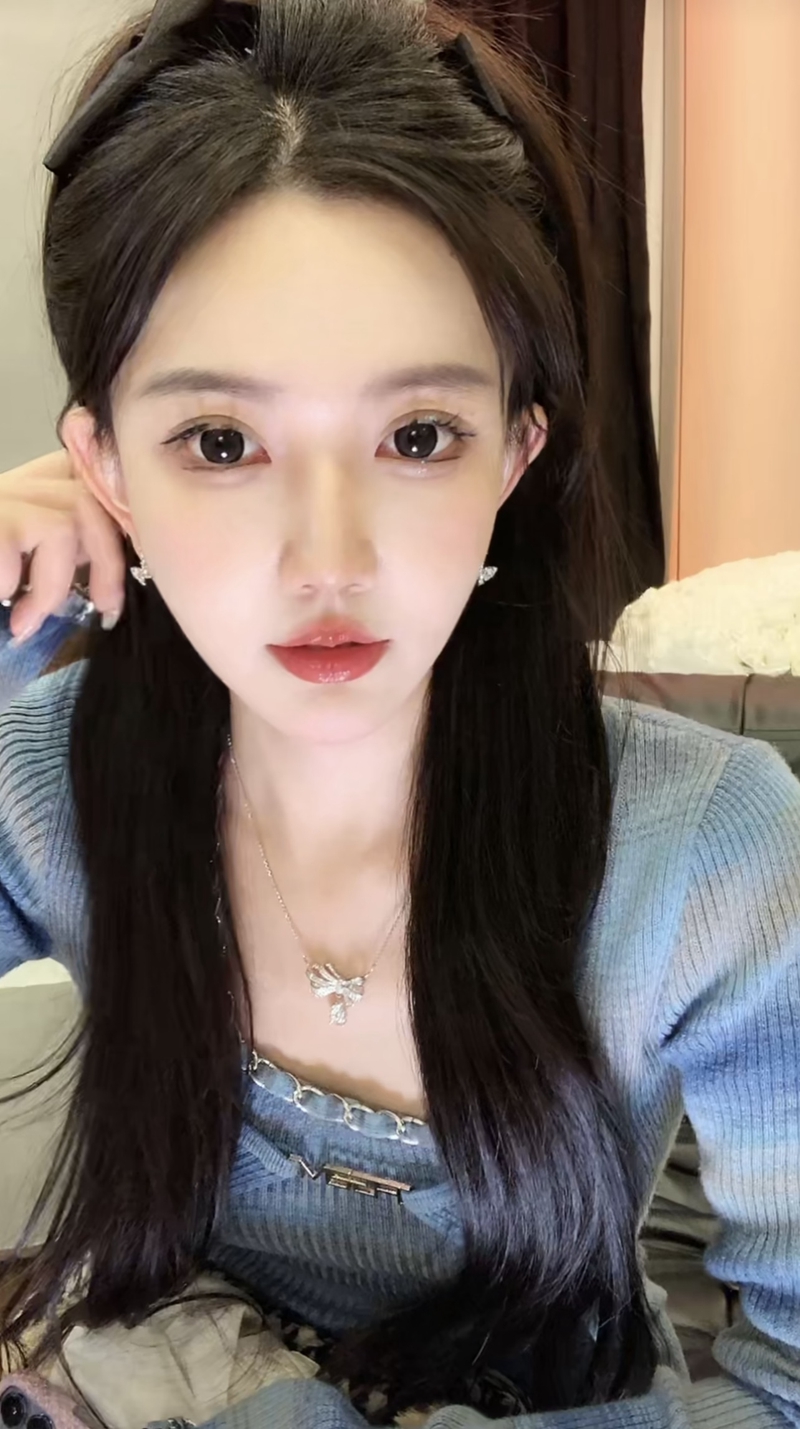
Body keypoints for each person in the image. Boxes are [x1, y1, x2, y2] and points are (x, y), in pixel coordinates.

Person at [0, 0, 798, 1426]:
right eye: (220, 441)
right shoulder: (48, 787)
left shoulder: (708, 852)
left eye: (418, 436)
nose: (329, 559)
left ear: (516, 451)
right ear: (106, 469)